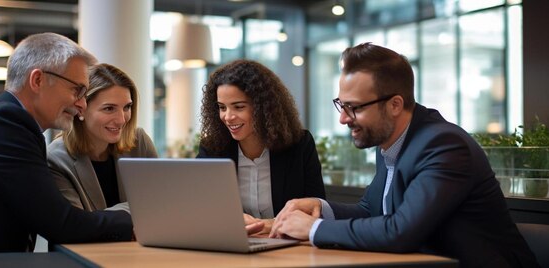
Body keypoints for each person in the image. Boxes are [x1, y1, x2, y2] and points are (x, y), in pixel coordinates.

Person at [269, 43, 539, 267]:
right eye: (341, 104)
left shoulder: (444, 146)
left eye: (354, 108)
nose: (343, 119)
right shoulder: (389, 141)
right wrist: (320, 208)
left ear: (395, 104)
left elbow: (401, 232)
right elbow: (371, 211)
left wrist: (314, 229)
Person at [0, 33, 132, 266]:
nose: (82, 104)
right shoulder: (5, 123)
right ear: (38, 80)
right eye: (77, 91)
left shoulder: (4, 119)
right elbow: (62, 224)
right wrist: (134, 218)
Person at [197, 59, 326, 234]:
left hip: (289, 248)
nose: (228, 117)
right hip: (233, 246)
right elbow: (201, 209)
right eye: (222, 107)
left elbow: (316, 210)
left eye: (238, 107)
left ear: (263, 107)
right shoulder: (212, 149)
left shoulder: (299, 145)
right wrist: (229, 219)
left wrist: (268, 225)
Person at [47, 63, 158, 212]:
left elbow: (160, 204)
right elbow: (78, 226)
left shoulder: (139, 142)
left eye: (127, 107)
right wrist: (135, 207)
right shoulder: (56, 159)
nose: (122, 120)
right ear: (81, 109)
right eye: (109, 108)